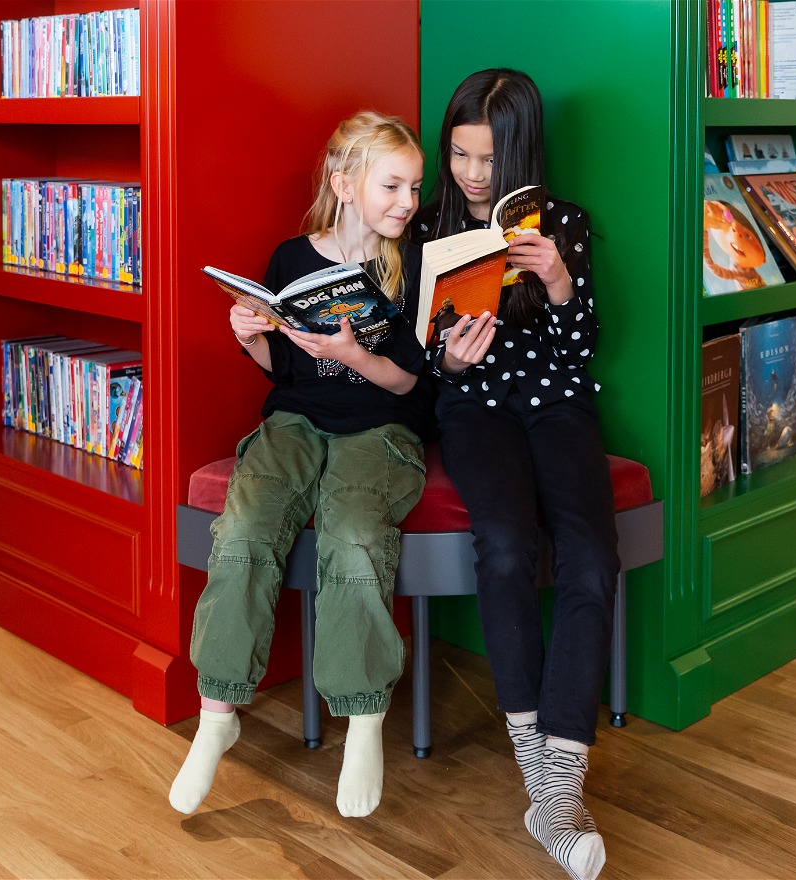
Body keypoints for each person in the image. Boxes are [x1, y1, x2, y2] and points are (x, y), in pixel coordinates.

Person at [169, 111, 431, 819]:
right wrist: (247, 332)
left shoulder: (416, 262)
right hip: (295, 420)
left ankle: (364, 717)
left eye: (414, 185)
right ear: (345, 185)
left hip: (380, 427)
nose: (408, 201)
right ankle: (218, 712)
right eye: (393, 185)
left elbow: (411, 382)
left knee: (352, 534)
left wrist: (352, 355)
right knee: (248, 524)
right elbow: (277, 369)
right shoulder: (291, 257)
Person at [413, 69, 619, 880]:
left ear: (521, 153)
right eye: (460, 155)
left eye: (489, 159)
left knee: (590, 556)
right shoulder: (427, 226)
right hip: (475, 408)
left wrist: (559, 281)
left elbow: (580, 349)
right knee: (502, 544)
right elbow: (417, 359)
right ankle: (552, 790)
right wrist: (448, 360)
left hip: (558, 406)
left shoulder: (563, 222)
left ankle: (555, 791)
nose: (471, 175)